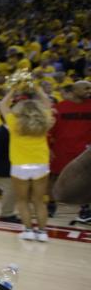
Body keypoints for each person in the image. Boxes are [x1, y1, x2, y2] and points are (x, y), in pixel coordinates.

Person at [0, 84, 54, 241]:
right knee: (39, 200)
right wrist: (38, 89)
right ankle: (42, 233)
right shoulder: (45, 121)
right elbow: (48, 104)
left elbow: (2, 104)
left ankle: (29, 231)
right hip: (41, 165)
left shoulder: (13, 121)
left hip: (19, 165)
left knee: (22, 200)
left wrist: (12, 90)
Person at [48, 79, 91, 223]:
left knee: (87, 181)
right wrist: (48, 147)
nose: (89, 91)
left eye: (89, 89)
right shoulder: (60, 107)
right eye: (85, 88)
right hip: (62, 150)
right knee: (54, 178)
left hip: (84, 152)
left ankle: (85, 210)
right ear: (74, 91)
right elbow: (49, 131)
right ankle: (51, 204)